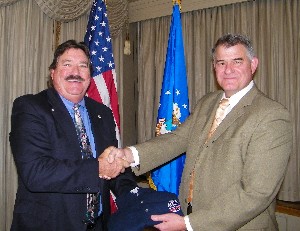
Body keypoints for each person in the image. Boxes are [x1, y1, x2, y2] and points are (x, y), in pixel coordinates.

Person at [106, 34, 293, 231]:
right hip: (192, 215)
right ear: (214, 67)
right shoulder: (208, 103)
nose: (228, 70)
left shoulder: (271, 116)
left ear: (253, 64)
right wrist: (128, 155)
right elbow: (177, 139)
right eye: (221, 63)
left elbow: (256, 193)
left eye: (237, 61)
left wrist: (189, 224)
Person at [9, 40, 136, 231]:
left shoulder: (103, 113)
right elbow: (36, 172)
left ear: (89, 76)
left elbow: (113, 166)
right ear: (53, 73)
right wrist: (97, 168)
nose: (75, 72)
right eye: (67, 64)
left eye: (83, 66)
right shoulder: (30, 108)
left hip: (99, 224)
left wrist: (137, 197)